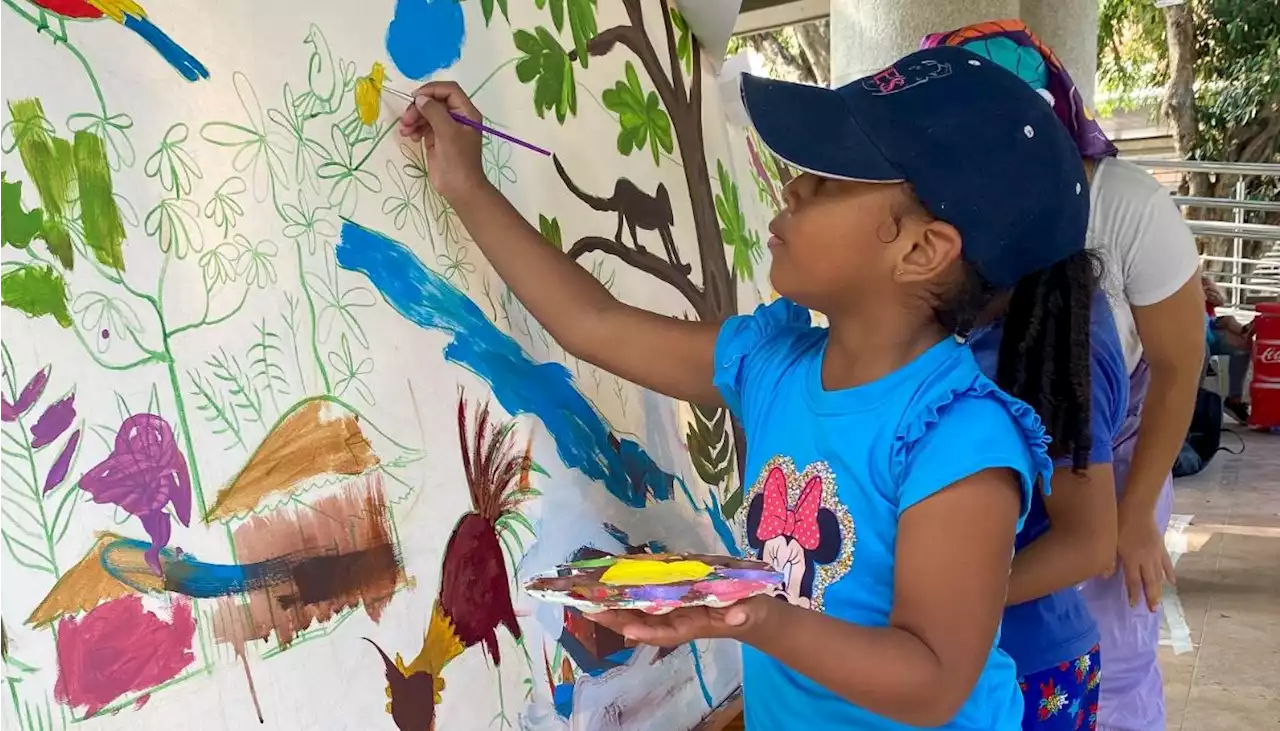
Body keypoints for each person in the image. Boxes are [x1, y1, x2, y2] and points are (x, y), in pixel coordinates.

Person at [400, 45, 1093, 730]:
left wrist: (755, 615)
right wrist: (466, 184)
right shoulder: (774, 365)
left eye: (827, 182)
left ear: (920, 250)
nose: (791, 189)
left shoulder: (958, 435)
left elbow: (933, 681)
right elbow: (595, 323)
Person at [922, 22, 1206, 731]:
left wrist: (1136, 513)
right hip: (1004, 441)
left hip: (1116, 447)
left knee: (1116, 639)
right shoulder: (937, 213)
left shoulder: (1129, 205)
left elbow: (1177, 365)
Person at [969, 284, 1129, 731]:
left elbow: (1088, 543)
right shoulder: (971, 327)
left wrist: (943, 606)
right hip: (974, 652)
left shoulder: (1056, 335)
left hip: (1021, 666)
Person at [1202, 274, 1252, 422]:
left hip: (1210, 328)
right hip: (1190, 334)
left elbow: (1221, 301)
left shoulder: (1201, 281)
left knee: (1243, 345)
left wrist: (1212, 294)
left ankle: (1234, 399)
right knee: (1200, 348)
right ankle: (1198, 405)